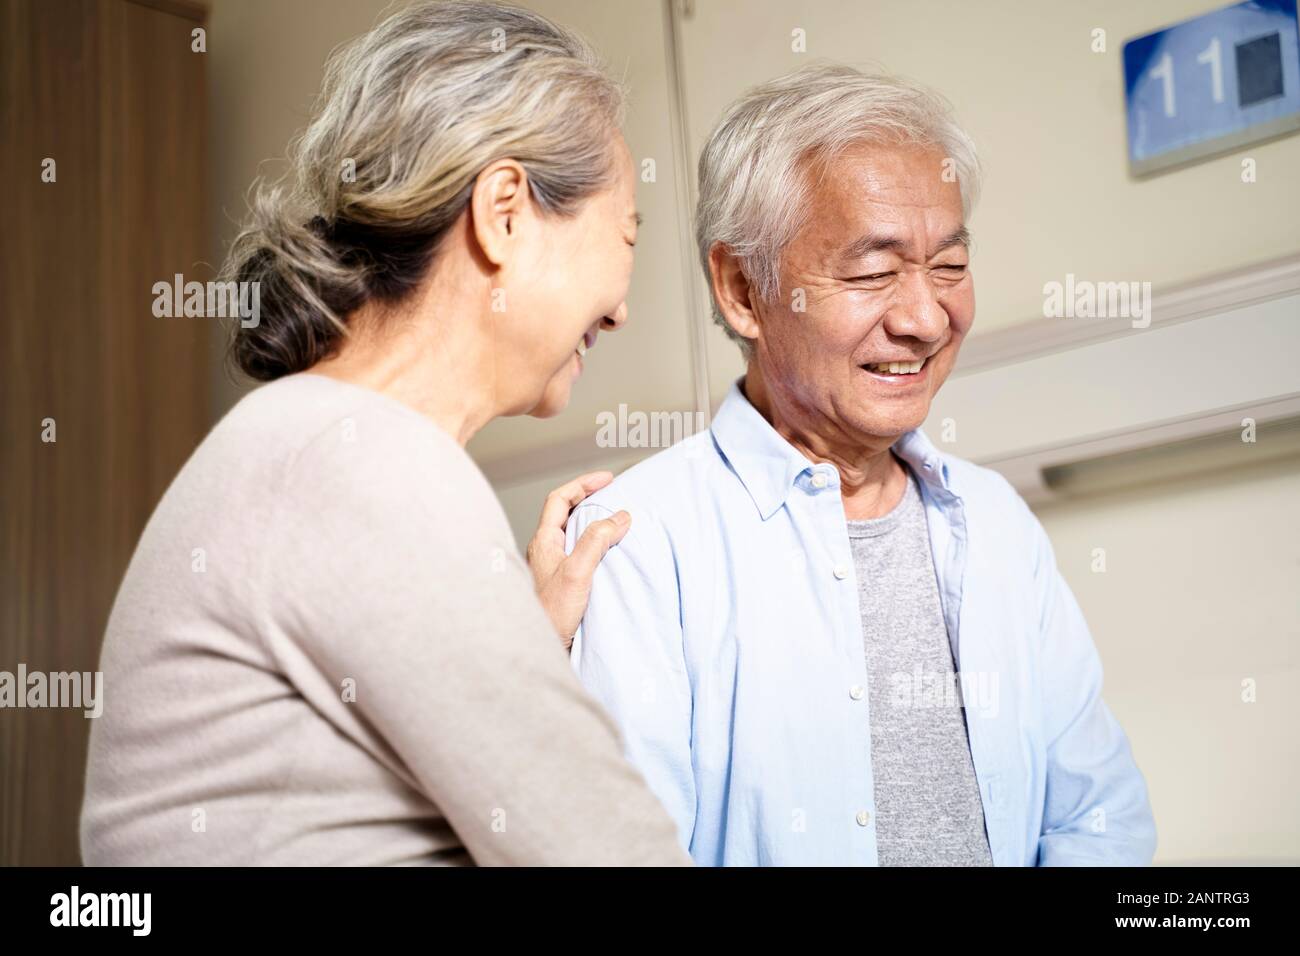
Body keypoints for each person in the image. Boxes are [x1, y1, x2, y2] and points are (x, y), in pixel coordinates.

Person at [80, 0, 688, 867]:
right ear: (505, 213)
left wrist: (524, 639)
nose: (622, 310)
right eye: (625, 234)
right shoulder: (362, 464)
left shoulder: (319, 443)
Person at [566, 64, 1157, 866]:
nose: (925, 318)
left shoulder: (994, 520)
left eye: (949, 267)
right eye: (874, 271)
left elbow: (1098, 816)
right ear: (742, 289)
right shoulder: (638, 543)